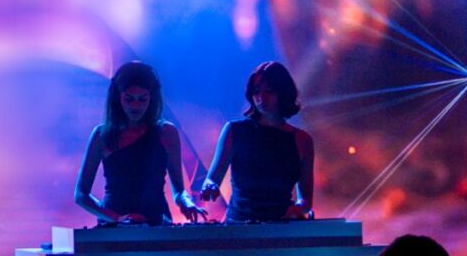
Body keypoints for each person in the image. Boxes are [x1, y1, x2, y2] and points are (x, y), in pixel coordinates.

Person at [75, 61, 199, 225]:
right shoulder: (102, 135)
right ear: (118, 98)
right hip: (114, 226)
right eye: (129, 99)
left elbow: (179, 191)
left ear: (151, 99)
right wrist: (116, 218)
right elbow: (81, 195)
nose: (136, 106)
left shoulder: (167, 132)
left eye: (142, 99)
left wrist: (187, 202)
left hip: (157, 222)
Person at [195, 61, 315, 222]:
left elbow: (306, 200)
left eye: (269, 91)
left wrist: (295, 210)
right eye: (256, 91)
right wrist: (210, 186)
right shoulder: (234, 130)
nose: (261, 98)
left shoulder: (302, 140)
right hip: (238, 227)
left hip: (280, 228)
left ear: (284, 92)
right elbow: (212, 178)